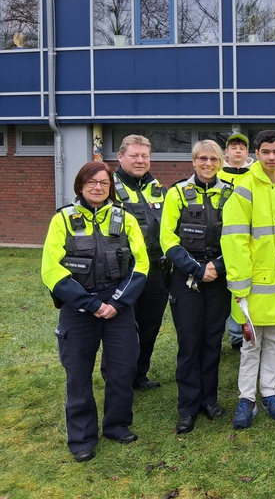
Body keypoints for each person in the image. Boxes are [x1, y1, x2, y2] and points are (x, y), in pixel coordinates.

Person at [41, 161, 149, 462]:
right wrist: (91, 304)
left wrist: (116, 303)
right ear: (80, 185)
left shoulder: (124, 219)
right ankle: (82, 438)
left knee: (122, 370)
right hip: (78, 308)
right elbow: (51, 270)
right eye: (91, 182)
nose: (98, 187)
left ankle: (117, 425)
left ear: (110, 187)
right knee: (78, 374)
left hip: (118, 305)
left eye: (104, 182)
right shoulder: (63, 220)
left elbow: (141, 264)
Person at [222, 130, 275, 429]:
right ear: (256, 154)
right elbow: (234, 239)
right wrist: (239, 282)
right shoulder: (244, 187)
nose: (271, 157)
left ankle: (269, 392)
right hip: (254, 283)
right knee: (251, 345)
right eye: (266, 151)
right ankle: (247, 399)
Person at [160, 140, 233, 434]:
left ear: (220, 163)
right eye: (202, 158)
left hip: (219, 276)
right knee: (189, 344)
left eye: (213, 159)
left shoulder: (231, 194)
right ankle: (188, 408)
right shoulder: (176, 193)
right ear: (193, 161)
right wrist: (197, 269)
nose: (208, 164)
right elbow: (167, 239)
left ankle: (209, 401)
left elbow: (239, 236)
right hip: (187, 277)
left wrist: (217, 266)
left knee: (212, 342)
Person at [112, 134, 168, 391]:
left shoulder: (158, 189)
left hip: (156, 270)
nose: (140, 160)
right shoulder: (109, 187)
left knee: (150, 325)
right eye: (134, 155)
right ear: (120, 156)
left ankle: (139, 374)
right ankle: (119, 379)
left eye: (144, 156)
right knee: (123, 328)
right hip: (124, 271)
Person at [218, 132, 254, 352]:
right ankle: (234, 333)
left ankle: (245, 331)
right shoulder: (218, 175)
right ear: (227, 152)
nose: (238, 150)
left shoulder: (256, 175)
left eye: (242, 147)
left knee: (245, 288)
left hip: (251, 238)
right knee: (228, 289)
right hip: (222, 237)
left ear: (248, 152)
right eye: (234, 147)